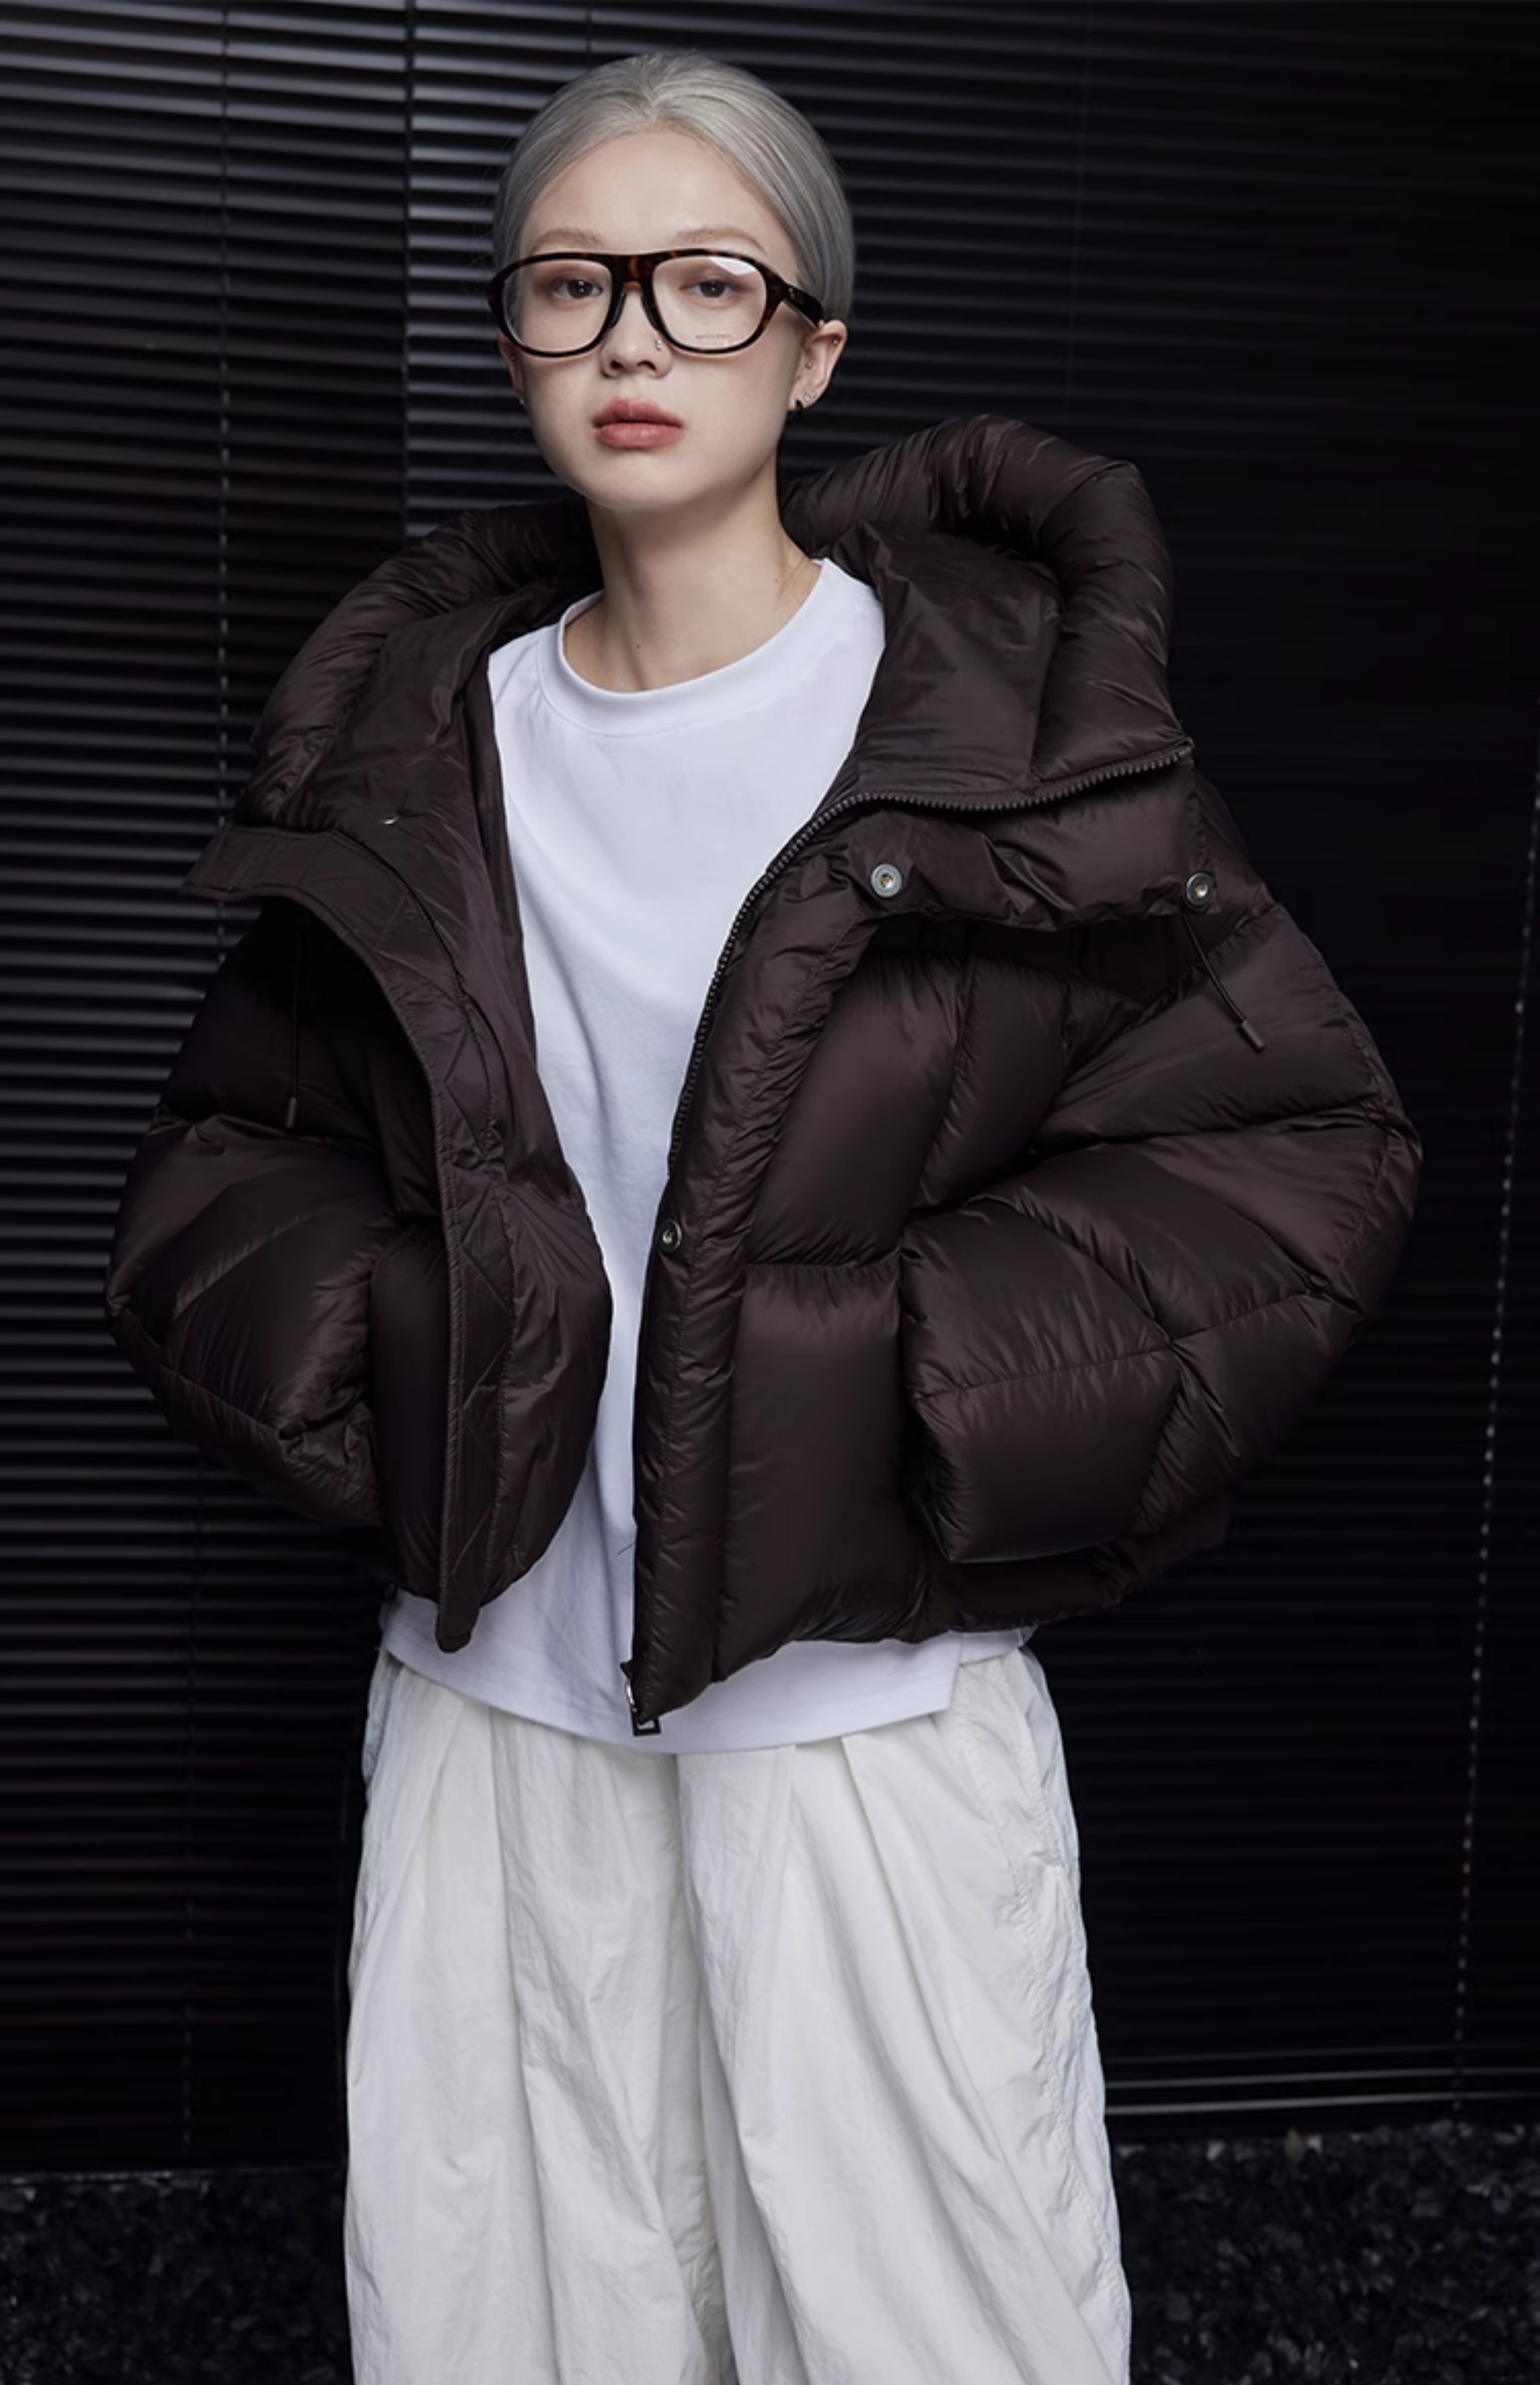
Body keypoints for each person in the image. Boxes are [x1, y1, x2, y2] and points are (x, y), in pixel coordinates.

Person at [101, 46, 1421, 2385]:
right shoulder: (421, 753)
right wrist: (413, 1346)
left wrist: (887, 1383)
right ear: (514, 340)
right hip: (498, 1709)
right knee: (512, 2326)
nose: (635, 337)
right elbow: (225, 1167)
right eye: (573, 284)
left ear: (813, 350)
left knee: (930, 2328)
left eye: (707, 283)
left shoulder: (998, 740)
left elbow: (1297, 1149)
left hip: (861, 1720)